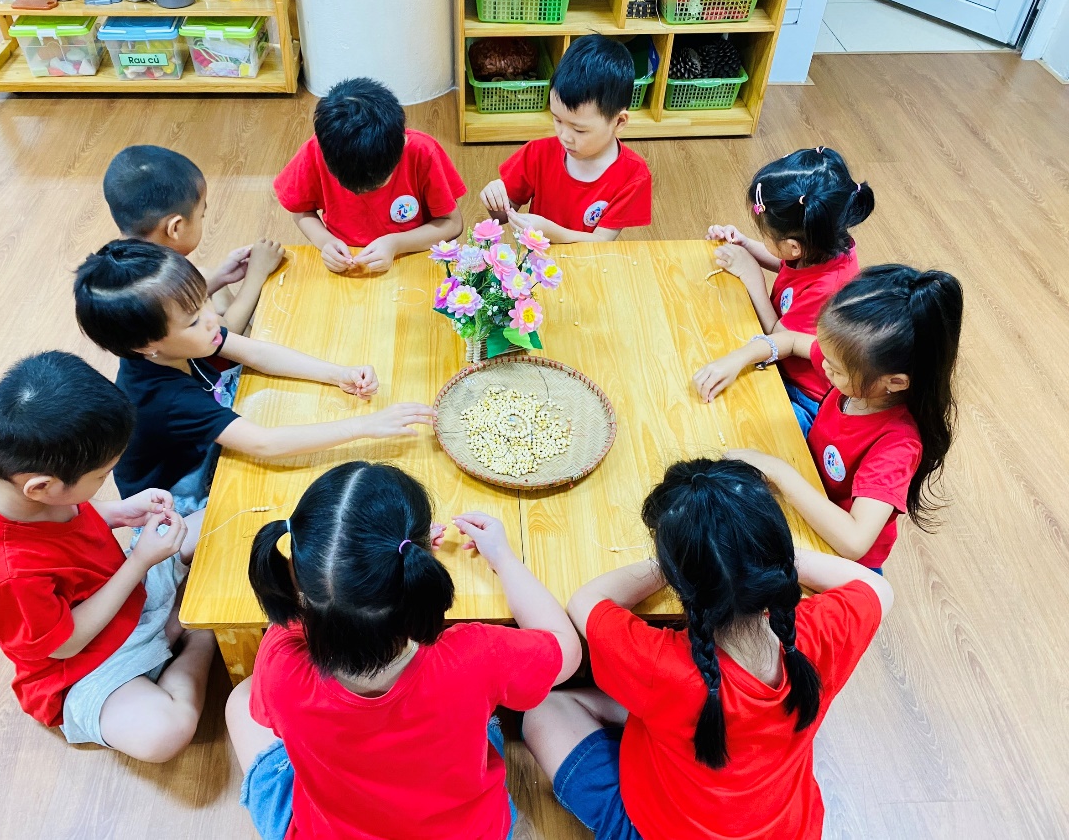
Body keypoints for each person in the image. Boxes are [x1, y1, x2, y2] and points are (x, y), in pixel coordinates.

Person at [522, 458, 894, 840]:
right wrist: (758, 557)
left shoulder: (661, 666)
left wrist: (685, 562)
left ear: (680, 579)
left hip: (659, 827)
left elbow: (585, 600)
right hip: (787, 830)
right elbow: (878, 587)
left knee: (543, 708)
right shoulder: (822, 635)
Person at [225, 462, 582, 840]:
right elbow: (566, 650)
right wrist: (504, 559)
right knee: (484, 726)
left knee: (240, 698)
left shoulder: (281, 663)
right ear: (418, 563)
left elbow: (316, 608)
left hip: (332, 829)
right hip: (470, 830)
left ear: (295, 575)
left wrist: (369, 574)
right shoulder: (476, 657)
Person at [0, 351, 217, 762]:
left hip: (129, 592)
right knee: (164, 733)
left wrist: (119, 511)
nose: (103, 483)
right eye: (100, 477)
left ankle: (171, 629)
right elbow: (64, 644)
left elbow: (72, 514)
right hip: (86, 661)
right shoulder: (4, 572)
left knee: (216, 521)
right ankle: (199, 637)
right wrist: (139, 562)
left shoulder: (24, 477)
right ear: (41, 488)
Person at [73, 240, 435, 513]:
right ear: (147, 345)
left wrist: (337, 373)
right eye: (194, 319)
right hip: (175, 492)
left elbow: (257, 352)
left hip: (202, 441)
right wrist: (366, 424)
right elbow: (265, 444)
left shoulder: (185, 342)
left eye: (204, 300)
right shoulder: (164, 397)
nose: (213, 317)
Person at [695, 264, 963, 570]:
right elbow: (794, 341)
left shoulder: (897, 445)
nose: (823, 367)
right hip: (811, 484)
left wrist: (779, 472)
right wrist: (738, 357)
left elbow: (854, 541)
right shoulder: (859, 372)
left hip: (839, 553)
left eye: (835, 369)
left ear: (896, 382)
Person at [704, 147, 875, 435]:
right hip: (779, 354)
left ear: (795, 245)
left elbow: (779, 338)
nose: (764, 240)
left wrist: (751, 276)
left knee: (737, 423)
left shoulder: (829, 287)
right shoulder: (824, 244)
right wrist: (745, 244)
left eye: (766, 237)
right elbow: (787, 263)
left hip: (802, 393)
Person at [274, 77, 466, 274]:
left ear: (402, 144)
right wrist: (325, 241)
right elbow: (300, 210)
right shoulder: (316, 151)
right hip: (346, 264)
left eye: (379, 182)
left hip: (411, 255)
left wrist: (396, 244)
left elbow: (452, 223)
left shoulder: (423, 152)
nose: (365, 193)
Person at [479, 35, 652, 244]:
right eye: (557, 120)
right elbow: (502, 217)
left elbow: (601, 243)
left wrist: (550, 232)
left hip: (589, 265)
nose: (564, 136)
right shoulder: (537, 153)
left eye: (579, 130)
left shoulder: (633, 175)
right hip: (538, 265)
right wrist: (494, 199)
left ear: (619, 122)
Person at [103, 144, 286, 338]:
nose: (202, 219)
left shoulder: (121, 260)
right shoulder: (160, 290)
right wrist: (256, 275)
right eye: (201, 216)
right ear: (175, 228)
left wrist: (221, 277)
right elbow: (227, 331)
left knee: (206, 276)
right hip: (195, 359)